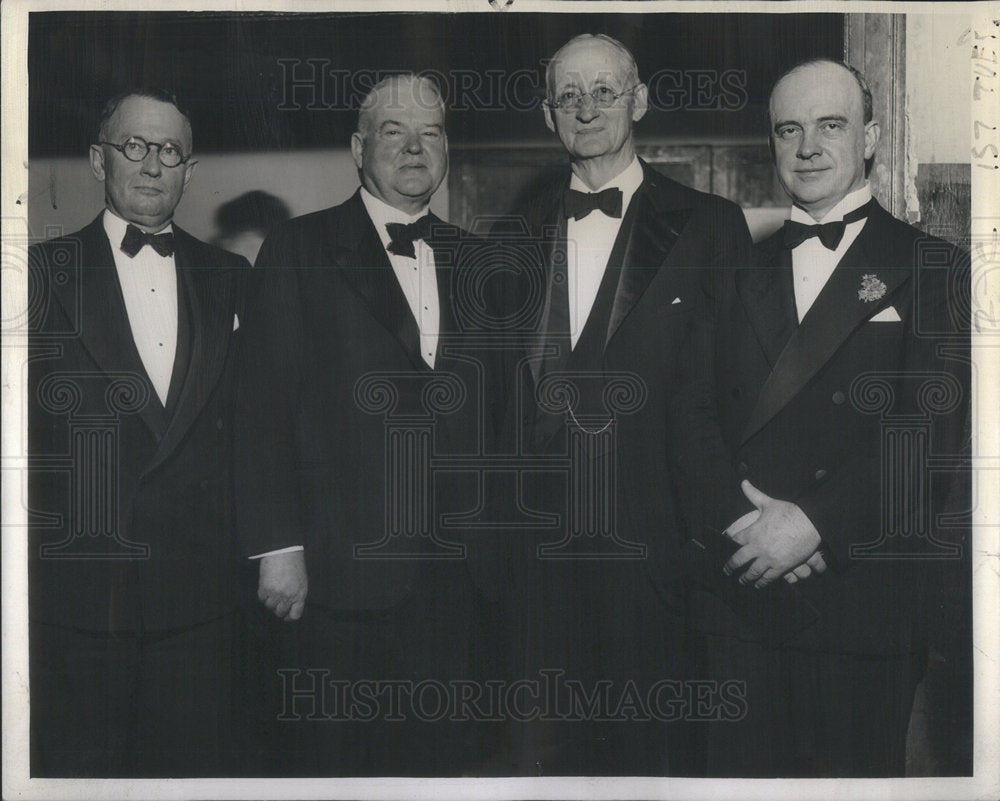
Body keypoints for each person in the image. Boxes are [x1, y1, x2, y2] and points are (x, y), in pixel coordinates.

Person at [669, 59, 971, 777]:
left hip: (862, 604)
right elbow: (688, 418)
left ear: (869, 137)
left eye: (829, 125)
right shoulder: (729, 270)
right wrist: (747, 530)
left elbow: (927, 435)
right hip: (739, 601)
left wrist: (814, 523)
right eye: (788, 129)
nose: (807, 147)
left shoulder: (934, 268)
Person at [495, 33, 753, 775]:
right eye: (568, 95)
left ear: (638, 100)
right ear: (548, 115)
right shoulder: (511, 232)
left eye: (604, 90)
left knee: (657, 763)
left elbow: (733, 395)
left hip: (661, 557)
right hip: (534, 565)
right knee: (546, 769)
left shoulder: (710, 224)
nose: (586, 108)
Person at [237, 73, 500, 776]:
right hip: (335, 577)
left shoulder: (481, 260)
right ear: (359, 148)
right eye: (394, 131)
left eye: (432, 132)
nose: (415, 147)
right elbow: (261, 407)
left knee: (445, 771)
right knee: (337, 769)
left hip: (457, 585)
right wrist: (277, 545)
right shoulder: (298, 249)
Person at [27, 88, 249, 776]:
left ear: (189, 167)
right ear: (99, 161)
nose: (152, 164)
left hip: (203, 604)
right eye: (134, 146)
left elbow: (257, 434)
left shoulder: (231, 277)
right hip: (78, 602)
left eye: (170, 150)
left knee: (196, 779)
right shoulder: (36, 275)